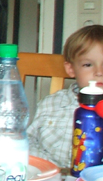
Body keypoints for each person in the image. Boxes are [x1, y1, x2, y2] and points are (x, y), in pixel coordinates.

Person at [28, 25, 103, 169]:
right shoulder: (50, 104)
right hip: (52, 175)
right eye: (88, 65)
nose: (99, 72)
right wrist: (50, 169)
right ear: (71, 69)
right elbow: (29, 141)